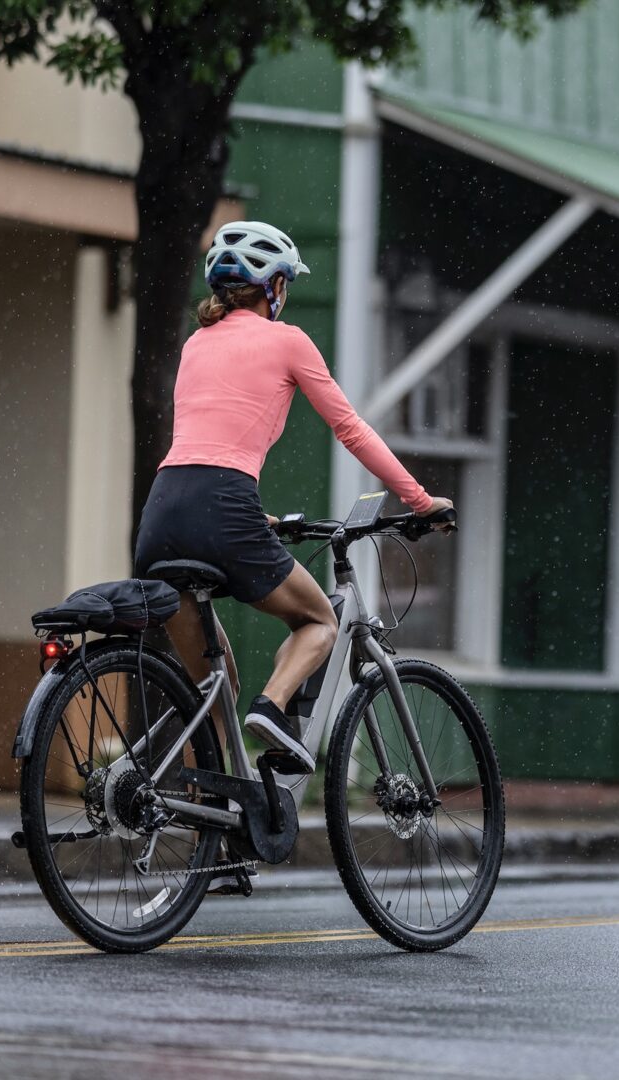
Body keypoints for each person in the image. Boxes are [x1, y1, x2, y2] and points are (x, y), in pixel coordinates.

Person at [133, 221, 452, 773]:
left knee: (214, 684)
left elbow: (202, 447)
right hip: (224, 509)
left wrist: (252, 515)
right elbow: (350, 430)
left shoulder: (194, 345)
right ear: (274, 286)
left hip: (162, 513)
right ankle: (274, 707)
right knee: (320, 621)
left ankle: (211, 824)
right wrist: (421, 501)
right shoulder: (288, 341)